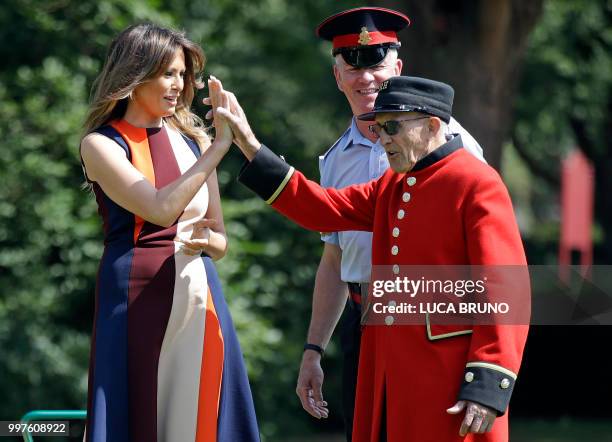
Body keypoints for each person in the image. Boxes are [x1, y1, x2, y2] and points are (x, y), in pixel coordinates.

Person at [214, 75, 528, 441]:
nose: (382, 138)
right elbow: (322, 208)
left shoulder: (476, 182)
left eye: (392, 126)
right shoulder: (393, 184)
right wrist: (250, 146)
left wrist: (488, 380)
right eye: (378, 128)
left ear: (432, 125)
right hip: (386, 373)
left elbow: (506, 288)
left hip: (446, 377)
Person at [296, 7, 486, 440]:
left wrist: (483, 360)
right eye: (352, 66)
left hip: (431, 326)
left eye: (377, 65)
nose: (366, 80)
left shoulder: (450, 141)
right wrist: (313, 350)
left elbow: (488, 263)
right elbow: (335, 260)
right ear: (337, 76)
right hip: (363, 325)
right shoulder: (335, 160)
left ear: (397, 67)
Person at [79, 24, 259, 442]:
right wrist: (219, 147)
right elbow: (159, 210)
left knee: (203, 417)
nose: (179, 85)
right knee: (138, 415)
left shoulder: (192, 141)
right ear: (134, 75)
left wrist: (205, 242)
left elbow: (221, 242)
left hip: (199, 295)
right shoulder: (101, 144)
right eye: (168, 74)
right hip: (135, 297)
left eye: (183, 74)